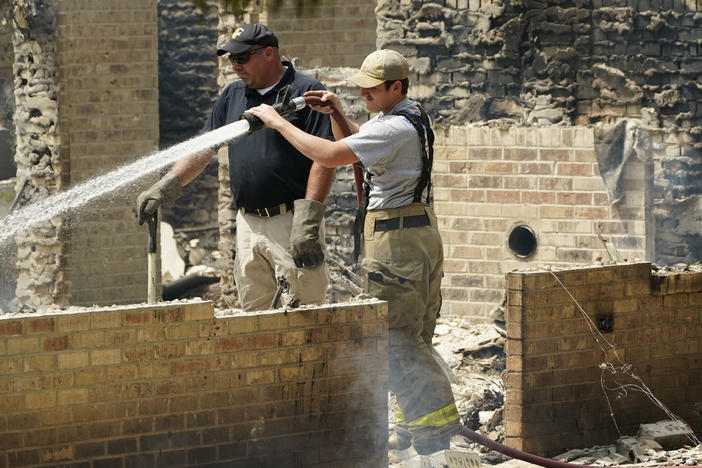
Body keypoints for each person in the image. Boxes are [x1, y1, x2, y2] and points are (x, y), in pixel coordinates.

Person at [246, 49, 463, 454]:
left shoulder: (394, 127)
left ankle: (436, 436)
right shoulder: (408, 114)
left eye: (371, 90)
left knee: (397, 338)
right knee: (412, 334)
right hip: (417, 234)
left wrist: (275, 121)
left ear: (395, 87)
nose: (365, 95)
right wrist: (337, 114)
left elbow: (330, 156)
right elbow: (362, 146)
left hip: (397, 241)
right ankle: (416, 427)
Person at [137, 23, 335, 311]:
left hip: (291, 221)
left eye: (242, 58)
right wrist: (168, 184)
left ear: (269, 54)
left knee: (304, 309)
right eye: (231, 59)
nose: (235, 66)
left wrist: (308, 220)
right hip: (248, 224)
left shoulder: (306, 92)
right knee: (254, 315)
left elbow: (325, 157)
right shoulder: (232, 96)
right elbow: (205, 147)